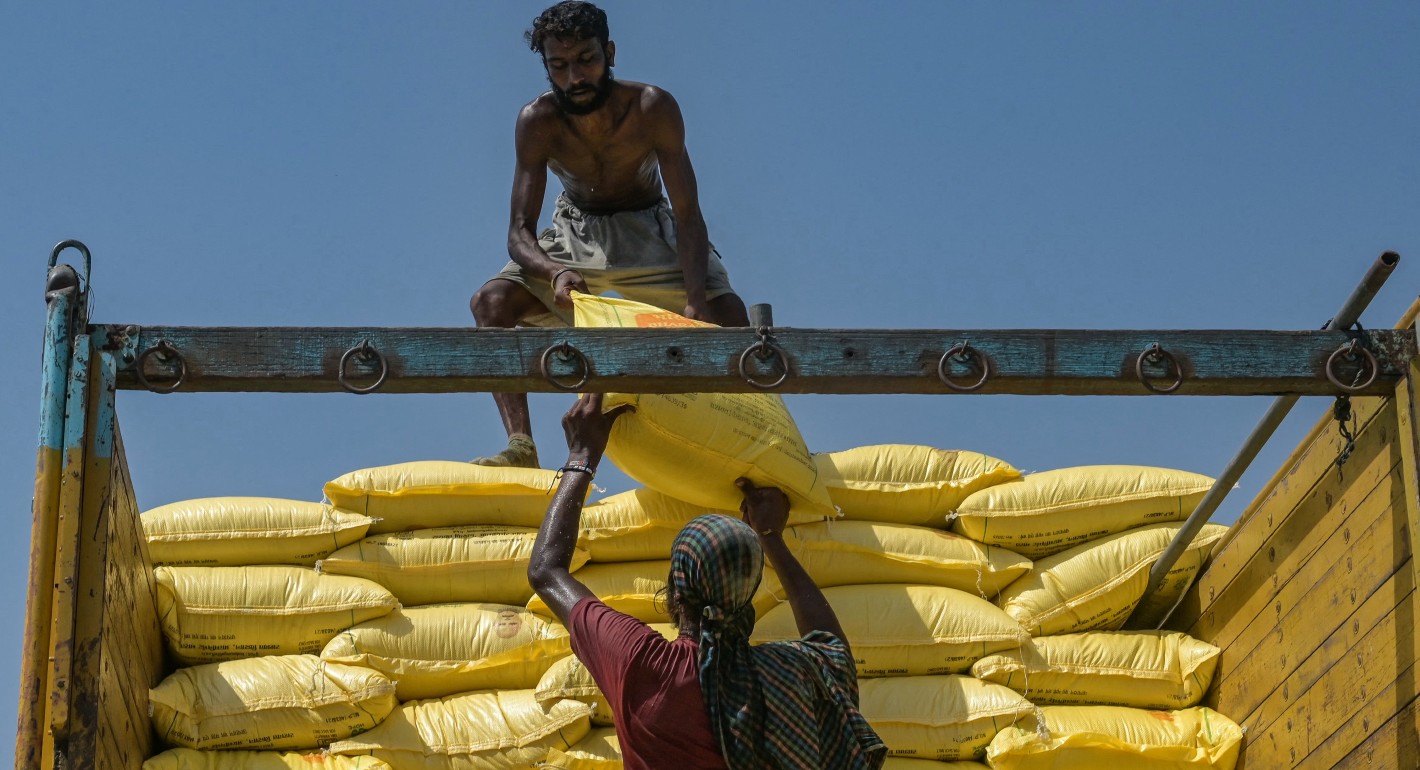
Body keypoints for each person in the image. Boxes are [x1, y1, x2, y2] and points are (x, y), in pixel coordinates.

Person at [527, 395, 887, 770]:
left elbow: (546, 571)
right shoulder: (790, 676)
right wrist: (771, 538)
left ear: (676, 590)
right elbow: (831, 648)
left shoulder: (646, 666)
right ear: (747, 596)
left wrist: (582, 456)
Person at [469, 1, 750, 468]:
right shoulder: (537, 121)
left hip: (649, 227)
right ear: (547, 68)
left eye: (586, 60)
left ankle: (747, 451)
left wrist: (696, 297)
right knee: (490, 302)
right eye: (559, 66)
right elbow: (519, 232)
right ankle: (522, 447)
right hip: (576, 231)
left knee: (732, 316)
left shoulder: (652, 107)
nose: (575, 77)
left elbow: (688, 215)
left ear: (610, 52)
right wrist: (555, 272)